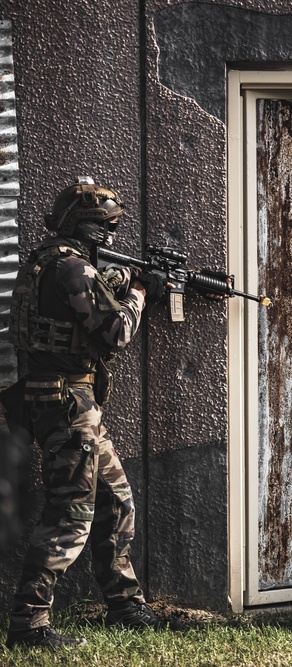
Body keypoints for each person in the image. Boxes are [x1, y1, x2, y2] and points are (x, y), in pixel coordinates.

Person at [3, 177, 169, 649]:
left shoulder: (44, 263)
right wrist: (139, 292)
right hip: (67, 406)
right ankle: (29, 624)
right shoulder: (74, 268)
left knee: (116, 501)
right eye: (103, 227)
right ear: (82, 226)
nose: (111, 238)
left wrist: (116, 281)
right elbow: (114, 334)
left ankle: (124, 604)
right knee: (70, 514)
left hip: (72, 404)